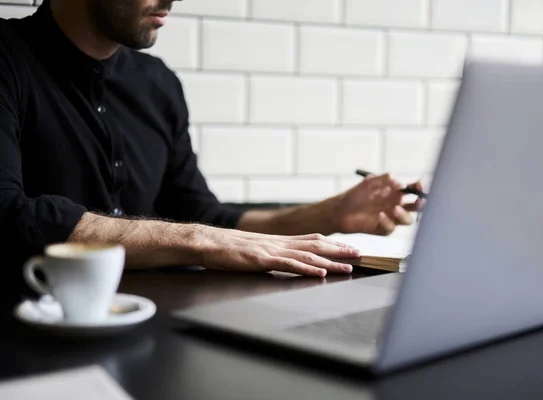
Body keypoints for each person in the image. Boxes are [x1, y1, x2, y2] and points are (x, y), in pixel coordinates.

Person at [0, 0, 423, 305]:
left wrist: (333, 215)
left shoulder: (158, 84)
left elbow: (206, 217)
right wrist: (197, 239)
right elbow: (8, 215)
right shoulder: (6, 56)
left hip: (153, 328)